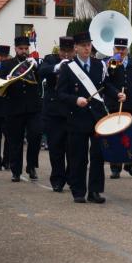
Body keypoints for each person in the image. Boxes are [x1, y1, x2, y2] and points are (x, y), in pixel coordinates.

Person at [57, 31, 123, 203]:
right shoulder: (67, 68)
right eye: (84, 46)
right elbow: (61, 93)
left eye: (89, 45)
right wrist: (75, 99)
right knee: (78, 156)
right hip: (77, 117)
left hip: (97, 117)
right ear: (76, 48)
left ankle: (95, 191)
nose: (87, 48)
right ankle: (78, 191)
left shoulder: (99, 65)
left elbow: (106, 85)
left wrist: (117, 94)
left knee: (98, 155)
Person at [0, 36, 42, 182]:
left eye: (26, 48)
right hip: (14, 108)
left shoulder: (33, 64)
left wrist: (36, 67)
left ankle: (31, 166)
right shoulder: (7, 64)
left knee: (35, 137)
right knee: (15, 141)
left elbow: (41, 80)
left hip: (32, 108)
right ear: (16, 48)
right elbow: (0, 85)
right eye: (21, 49)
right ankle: (16, 171)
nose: (24, 51)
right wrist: (8, 78)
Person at [39, 36, 75, 192]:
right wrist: (57, 67)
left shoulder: (77, 63)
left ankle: (72, 177)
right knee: (56, 148)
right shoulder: (50, 59)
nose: (66, 55)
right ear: (59, 51)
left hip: (72, 112)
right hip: (54, 112)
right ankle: (57, 179)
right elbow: (41, 71)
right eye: (63, 51)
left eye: (69, 52)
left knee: (73, 149)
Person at [106, 37, 132, 179]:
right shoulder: (109, 63)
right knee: (116, 136)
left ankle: (130, 164)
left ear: (127, 49)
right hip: (116, 104)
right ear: (113, 49)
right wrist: (113, 62)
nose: (120, 51)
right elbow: (107, 78)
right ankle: (116, 167)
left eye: (123, 49)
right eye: (118, 49)